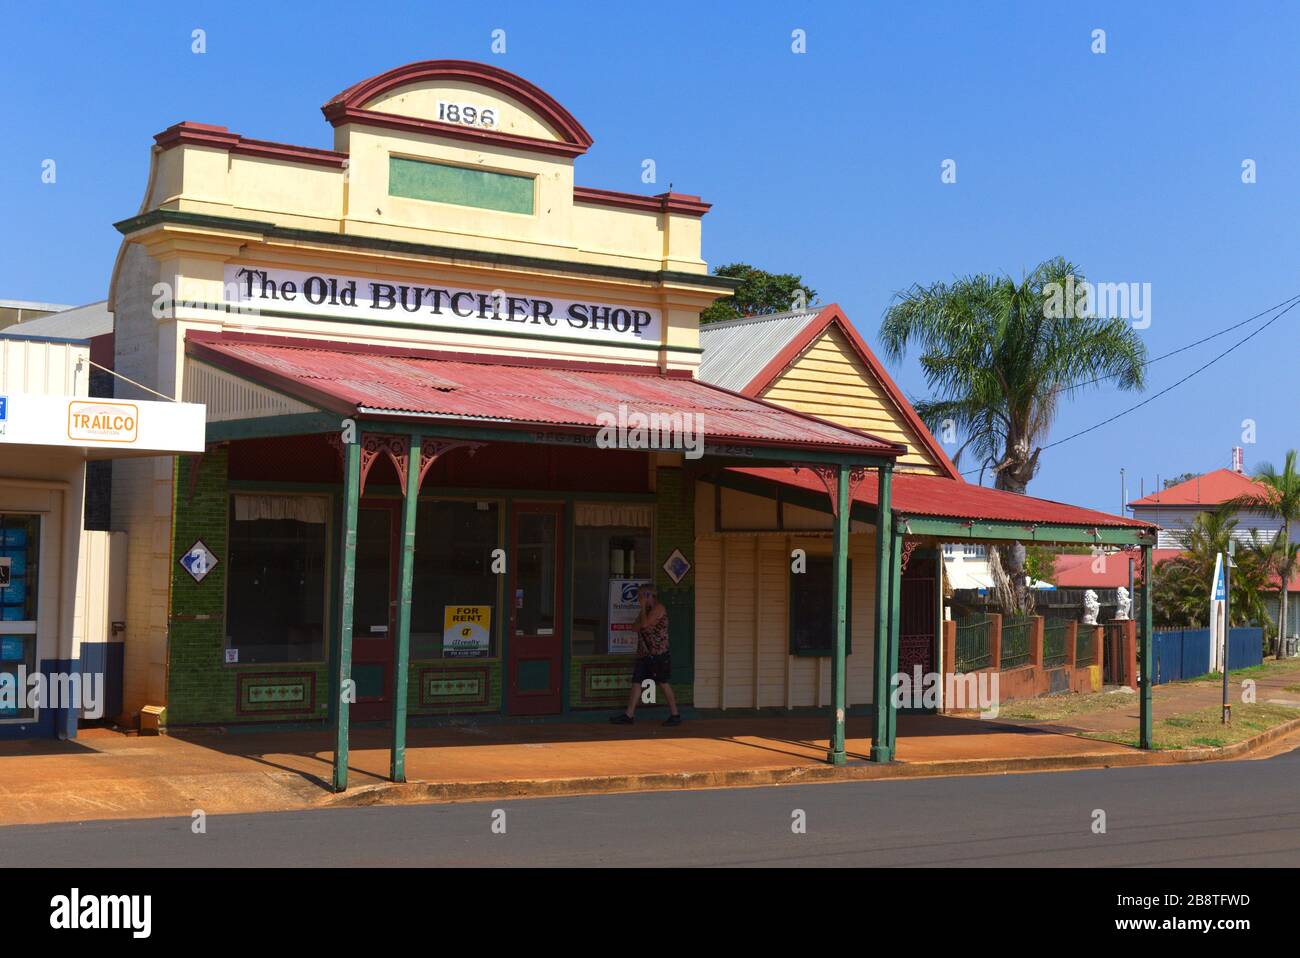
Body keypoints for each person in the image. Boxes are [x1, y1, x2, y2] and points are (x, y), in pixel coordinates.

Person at [610, 584, 681, 726]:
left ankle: (675, 714)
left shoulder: (658, 608)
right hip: (644, 654)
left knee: (662, 682)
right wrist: (642, 614)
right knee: (637, 681)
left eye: (641, 595)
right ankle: (629, 715)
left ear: (649, 595)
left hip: (658, 653)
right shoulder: (646, 610)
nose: (638, 598)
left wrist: (642, 610)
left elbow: (643, 624)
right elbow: (634, 627)